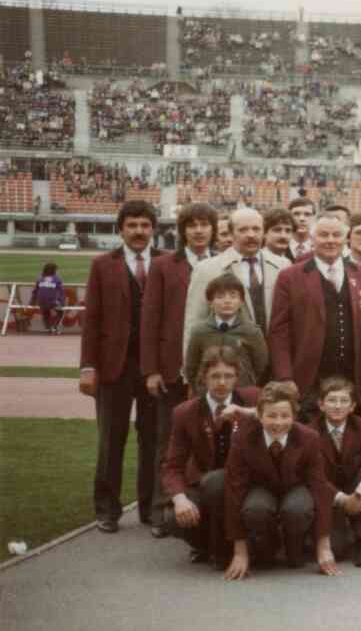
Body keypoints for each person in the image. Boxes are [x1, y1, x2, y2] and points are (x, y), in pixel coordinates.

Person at [80, 200, 163, 534]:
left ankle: (151, 509)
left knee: (155, 441)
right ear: (121, 229)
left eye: (145, 225)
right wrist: (87, 366)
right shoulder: (102, 265)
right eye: (132, 225)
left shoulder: (166, 263)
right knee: (111, 440)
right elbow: (91, 320)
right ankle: (107, 510)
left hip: (155, 368)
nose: (139, 231)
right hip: (114, 366)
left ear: (153, 229)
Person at [142, 201, 217, 538]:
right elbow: (150, 319)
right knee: (167, 441)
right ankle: (163, 509)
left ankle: (206, 508)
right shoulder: (162, 266)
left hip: (213, 370)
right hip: (172, 369)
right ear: (182, 230)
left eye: (205, 224)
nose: (199, 231)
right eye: (192, 225)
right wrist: (151, 370)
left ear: (213, 229)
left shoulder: (221, 263)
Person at [223, 381, 338, 579]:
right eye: (271, 415)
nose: (278, 423)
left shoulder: (309, 438)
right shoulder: (242, 439)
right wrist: (239, 552)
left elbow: (319, 488)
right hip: (260, 488)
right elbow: (234, 491)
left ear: (294, 416)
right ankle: (267, 545)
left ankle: (295, 546)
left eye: (285, 416)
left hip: (296, 487)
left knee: (296, 509)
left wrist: (324, 546)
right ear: (259, 415)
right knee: (255, 509)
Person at [268, 214, 361, 422]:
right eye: (323, 234)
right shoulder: (290, 276)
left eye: (336, 235)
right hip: (308, 379)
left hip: (350, 379)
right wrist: (285, 377)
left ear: (346, 239)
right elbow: (278, 331)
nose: (330, 240)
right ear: (311, 238)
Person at [161, 346, 258, 568]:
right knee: (172, 517)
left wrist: (248, 412)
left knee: (219, 483)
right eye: (215, 376)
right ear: (203, 377)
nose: (222, 382)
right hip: (206, 483)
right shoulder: (185, 412)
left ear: (237, 377)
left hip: (250, 483)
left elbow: (288, 414)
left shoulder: (253, 398)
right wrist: (179, 498)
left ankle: (235, 551)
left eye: (228, 376)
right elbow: (172, 466)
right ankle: (207, 546)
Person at [183, 207, 289, 354]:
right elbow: (194, 323)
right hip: (229, 365)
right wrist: (190, 372)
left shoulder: (283, 266)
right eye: (243, 230)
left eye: (256, 229)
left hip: (275, 361)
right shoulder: (207, 269)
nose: (251, 235)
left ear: (264, 232)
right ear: (231, 234)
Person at [311, 376, 361, 568]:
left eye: (344, 401)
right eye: (331, 400)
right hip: (329, 492)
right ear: (321, 405)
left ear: (353, 406)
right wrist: (342, 499)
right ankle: (330, 533)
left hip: (356, 488)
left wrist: (359, 493)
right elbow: (315, 477)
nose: (337, 406)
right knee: (338, 550)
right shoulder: (311, 431)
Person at [183, 273, 268, 391]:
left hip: (242, 395)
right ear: (210, 302)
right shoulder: (199, 331)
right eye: (220, 296)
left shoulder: (252, 332)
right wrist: (200, 389)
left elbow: (262, 367)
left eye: (233, 296)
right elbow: (191, 368)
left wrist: (249, 388)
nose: (227, 301)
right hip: (208, 394)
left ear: (241, 302)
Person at [31, 262, 65, 333]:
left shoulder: (40, 278)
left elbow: (35, 291)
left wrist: (32, 302)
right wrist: (61, 303)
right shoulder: (57, 279)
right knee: (60, 311)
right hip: (51, 302)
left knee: (45, 311)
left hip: (40, 302)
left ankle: (48, 327)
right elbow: (61, 292)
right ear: (54, 270)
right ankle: (55, 327)